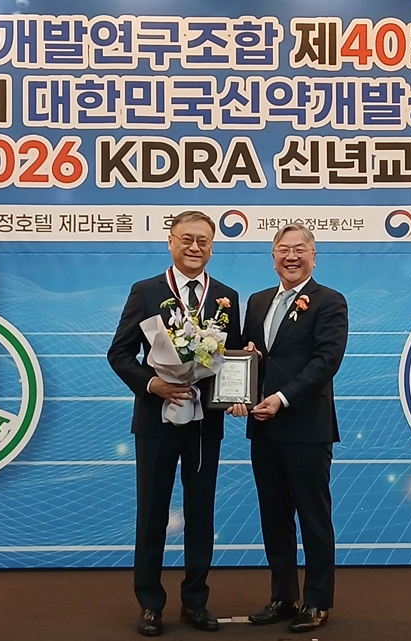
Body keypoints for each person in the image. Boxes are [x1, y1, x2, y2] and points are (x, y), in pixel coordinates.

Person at [107, 211, 242, 637]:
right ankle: (150, 603)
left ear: (212, 246)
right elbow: (119, 354)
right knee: (152, 513)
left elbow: (232, 357)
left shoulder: (226, 297)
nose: (194, 247)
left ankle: (195, 602)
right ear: (170, 241)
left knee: (201, 513)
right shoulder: (146, 291)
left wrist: (241, 383)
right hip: (155, 422)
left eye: (203, 240)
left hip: (206, 426)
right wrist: (154, 384)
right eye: (186, 239)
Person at [230, 222, 348, 633]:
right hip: (263, 428)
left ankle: (317, 601)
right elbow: (246, 355)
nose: (291, 256)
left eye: (300, 249)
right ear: (273, 257)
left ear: (313, 256)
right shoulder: (258, 301)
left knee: (314, 517)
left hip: (306, 427)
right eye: (283, 249)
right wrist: (239, 390)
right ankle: (283, 596)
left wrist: (281, 398)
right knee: (274, 517)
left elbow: (326, 361)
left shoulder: (330, 301)